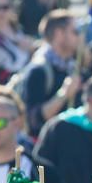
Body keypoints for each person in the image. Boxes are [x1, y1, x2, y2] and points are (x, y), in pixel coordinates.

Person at [14, 9, 82, 137]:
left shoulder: (73, 67)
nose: (79, 37)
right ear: (59, 34)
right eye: (75, 32)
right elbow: (32, 121)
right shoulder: (38, 71)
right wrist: (63, 95)